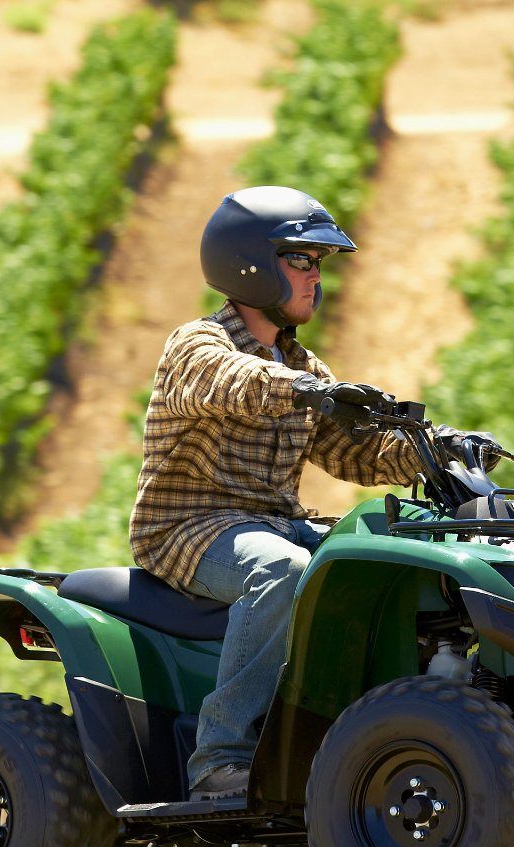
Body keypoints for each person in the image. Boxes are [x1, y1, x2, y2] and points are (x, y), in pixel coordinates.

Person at [129, 186, 482, 801]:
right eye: (302, 260)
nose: (316, 277)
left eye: (320, 263)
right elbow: (237, 383)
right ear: (252, 265)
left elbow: (354, 453)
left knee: (392, 560)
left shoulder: (304, 368)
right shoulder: (198, 346)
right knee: (282, 571)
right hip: (188, 527)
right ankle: (220, 758)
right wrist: (308, 390)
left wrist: (434, 447)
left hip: (273, 521)